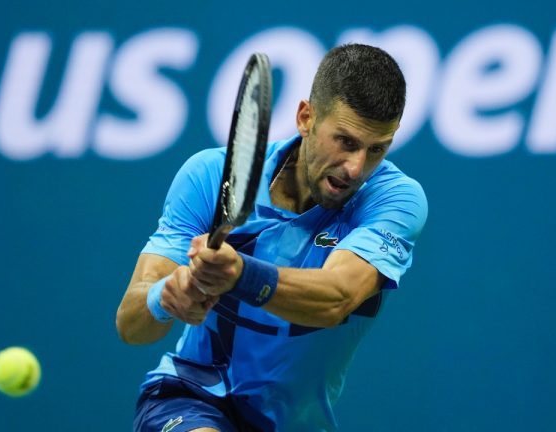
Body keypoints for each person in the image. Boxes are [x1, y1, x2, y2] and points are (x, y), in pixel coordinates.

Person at [116, 43, 428, 432]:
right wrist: (165, 296)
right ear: (305, 117)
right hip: (193, 396)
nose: (355, 167)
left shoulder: (395, 199)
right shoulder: (209, 176)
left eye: (377, 149)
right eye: (345, 141)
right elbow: (131, 324)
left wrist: (240, 275)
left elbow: (337, 297)